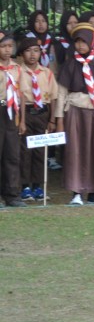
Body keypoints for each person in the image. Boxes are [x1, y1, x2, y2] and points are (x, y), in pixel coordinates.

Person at [55, 23, 94, 206]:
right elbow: (61, 94)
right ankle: (76, 193)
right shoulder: (70, 65)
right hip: (75, 112)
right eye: (77, 42)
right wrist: (59, 120)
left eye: (84, 42)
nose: (80, 46)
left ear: (92, 42)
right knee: (76, 151)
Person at [16, 37, 59, 203]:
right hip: (26, 113)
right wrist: (21, 121)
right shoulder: (19, 72)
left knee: (40, 151)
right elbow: (19, 98)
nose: (32, 54)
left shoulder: (46, 73)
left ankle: (38, 185)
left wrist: (52, 119)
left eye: (36, 50)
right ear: (21, 54)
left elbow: (53, 97)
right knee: (25, 151)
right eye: (28, 51)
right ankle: (25, 186)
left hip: (42, 114)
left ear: (41, 53)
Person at [0, 33, 24, 207]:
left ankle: (12, 194)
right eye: (3, 46)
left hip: (12, 113)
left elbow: (20, 94)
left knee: (12, 154)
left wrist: (21, 119)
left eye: (10, 46)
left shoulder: (17, 68)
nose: (7, 50)